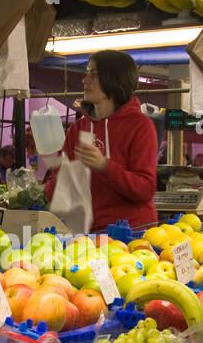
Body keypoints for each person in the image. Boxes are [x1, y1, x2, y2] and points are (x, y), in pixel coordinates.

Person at [42, 50, 158, 232]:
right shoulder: (78, 129)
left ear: (115, 79)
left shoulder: (140, 126)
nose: (84, 80)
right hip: (88, 234)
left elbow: (145, 190)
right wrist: (61, 179)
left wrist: (104, 165)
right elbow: (52, 192)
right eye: (87, 74)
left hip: (134, 233)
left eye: (93, 75)